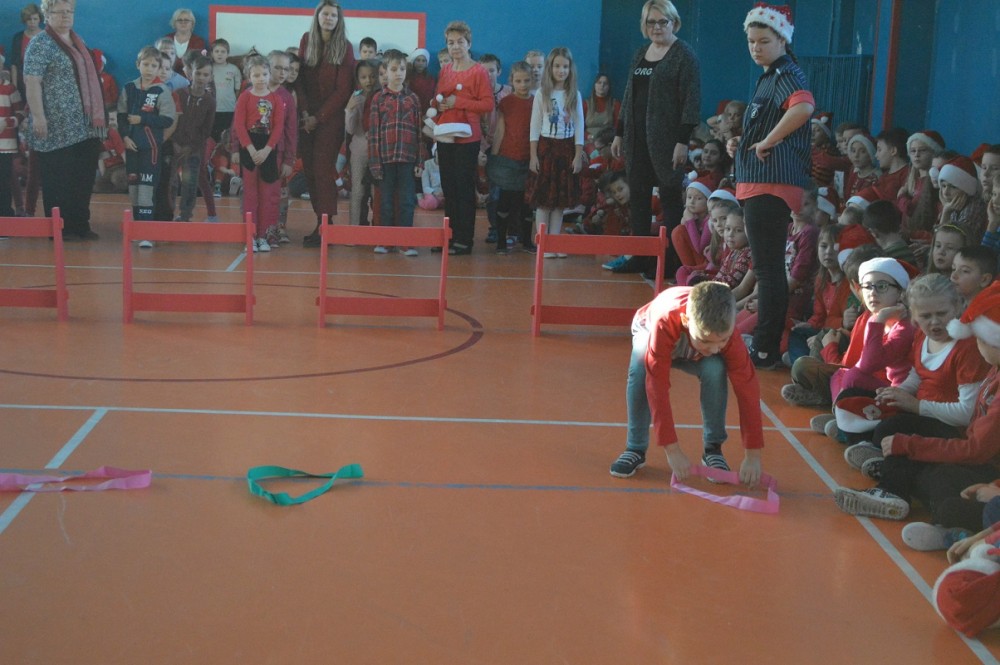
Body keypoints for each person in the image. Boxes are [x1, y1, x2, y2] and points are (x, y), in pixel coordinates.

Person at [834, 281, 1000, 522]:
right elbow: (917, 373)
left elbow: (968, 421)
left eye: (941, 313)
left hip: (951, 427)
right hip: (928, 415)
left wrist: (914, 411)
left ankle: (891, 486)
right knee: (853, 400)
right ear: (915, 317)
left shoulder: (968, 351)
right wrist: (897, 394)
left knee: (896, 433)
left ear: (957, 308)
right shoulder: (924, 337)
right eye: (926, 316)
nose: (934, 322)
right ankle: (880, 458)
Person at [608, 281, 764, 484]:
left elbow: (748, 389)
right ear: (686, 320)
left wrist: (753, 455)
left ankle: (713, 449)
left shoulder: (727, 334)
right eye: (706, 341)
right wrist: (672, 449)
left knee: (715, 368)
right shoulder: (665, 321)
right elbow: (656, 386)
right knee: (640, 367)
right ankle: (635, 447)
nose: (714, 349)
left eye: (722, 341)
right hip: (652, 331)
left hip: (692, 344)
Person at [731, 3, 815, 369]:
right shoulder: (768, 76)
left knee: (768, 271)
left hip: (771, 182)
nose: (755, 47)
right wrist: (745, 142)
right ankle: (763, 342)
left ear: (782, 39)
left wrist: (768, 140)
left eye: (763, 41)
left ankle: (764, 348)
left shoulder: (786, 72)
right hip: (757, 181)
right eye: (751, 41)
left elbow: (803, 107)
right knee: (766, 268)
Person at [611, 0, 701, 276]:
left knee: (670, 199)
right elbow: (629, 95)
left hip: (668, 141)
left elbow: (691, 100)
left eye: (663, 21)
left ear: (674, 22)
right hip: (636, 138)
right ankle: (641, 257)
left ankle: (672, 260)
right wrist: (619, 132)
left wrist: (683, 140)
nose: (657, 27)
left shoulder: (684, 55)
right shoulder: (640, 53)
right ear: (644, 25)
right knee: (638, 198)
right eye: (651, 22)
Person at [24, 0, 108, 241]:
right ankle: (60, 228)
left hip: (86, 126)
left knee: (83, 177)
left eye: (70, 11)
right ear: (47, 14)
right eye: (60, 12)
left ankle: (80, 224)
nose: (66, 16)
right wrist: (38, 116)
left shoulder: (79, 41)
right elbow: (32, 81)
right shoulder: (40, 43)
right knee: (58, 180)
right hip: (56, 125)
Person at [297, 0, 356, 246]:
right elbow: (298, 78)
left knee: (322, 170)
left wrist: (318, 117)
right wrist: (305, 113)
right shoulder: (306, 40)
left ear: (338, 19)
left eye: (334, 15)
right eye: (326, 14)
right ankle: (319, 222)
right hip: (306, 118)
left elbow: (343, 90)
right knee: (310, 170)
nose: (329, 18)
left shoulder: (345, 47)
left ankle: (326, 225)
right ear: (318, 16)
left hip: (331, 119)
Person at [432, 20, 493, 255]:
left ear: (469, 43)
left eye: (460, 42)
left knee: (464, 188)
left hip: (468, 137)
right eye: (451, 42)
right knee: (449, 187)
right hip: (446, 135)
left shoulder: (478, 71)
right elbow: (439, 97)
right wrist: (438, 103)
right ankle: (449, 236)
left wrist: (459, 102)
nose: (455, 46)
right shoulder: (445, 70)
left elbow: (487, 104)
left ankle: (464, 240)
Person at [527, 46, 583, 258]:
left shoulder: (574, 94)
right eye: (557, 66)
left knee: (560, 202)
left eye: (565, 66)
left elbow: (579, 126)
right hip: (546, 149)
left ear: (570, 69)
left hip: (566, 149)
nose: (561, 70)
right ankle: (543, 244)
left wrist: (578, 155)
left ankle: (555, 242)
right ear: (550, 68)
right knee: (544, 200)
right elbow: (534, 126)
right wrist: (533, 155)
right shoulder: (542, 94)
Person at [367, 49, 423, 256]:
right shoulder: (378, 99)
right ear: (385, 71)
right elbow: (374, 134)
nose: (398, 73)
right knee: (386, 202)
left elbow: (418, 132)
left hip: (407, 158)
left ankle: (406, 242)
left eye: (402, 69)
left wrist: (420, 161)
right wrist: (375, 163)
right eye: (393, 69)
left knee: (407, 201)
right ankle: (385, 241)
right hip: (385, 159)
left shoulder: (413, 99)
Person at [234, 55, 285, 252]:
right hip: (250, 148)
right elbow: (239, 125)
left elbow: (278, 127)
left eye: (264, 74)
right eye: (256, 75)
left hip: (268, 150)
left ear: (269, 74)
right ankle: (250, 236)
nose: (261, 78)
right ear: (249, 76)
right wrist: (251, 149)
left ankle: (263, 236)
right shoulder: (245, 97)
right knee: (250, 196)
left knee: (266, 196)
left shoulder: (276, 99)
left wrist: (266, 150)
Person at [489, 60, 534, 254]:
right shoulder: (506, 102)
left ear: (532, 80)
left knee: (526, 203)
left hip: (528, 158)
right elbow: (500, 130)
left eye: (526, 80)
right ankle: (501, 241)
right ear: (511, 81)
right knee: (505, 202)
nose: (523, 85)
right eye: (518, 81)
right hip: (507, 158)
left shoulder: (536, 102)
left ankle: (526, 240)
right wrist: (494, 156)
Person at [170, 53, 214, 223]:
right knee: (171, 181)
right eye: (198, 73)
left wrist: (191, 147)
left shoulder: (210, 101)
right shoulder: (179, 94)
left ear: (210, 77)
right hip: (174, 146)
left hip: (194, 150)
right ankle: (167, 212)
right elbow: (172, 120)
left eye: (206, 74)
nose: (201, 78)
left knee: (190, 183)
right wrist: (174, 142)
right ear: (190, 73)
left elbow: (206, 130)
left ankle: (185, 215)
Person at [266, 50, 298, 245]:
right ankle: (259, 230)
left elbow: (291, 131)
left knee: (280, 194)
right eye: (277, 67)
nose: (282, 72)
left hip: (279, 155)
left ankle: (279, 227)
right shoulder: (252, 92)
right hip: (256, 155)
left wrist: (289, 159)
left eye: (286, 69)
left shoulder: (287, 97)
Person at [344, 59, 378, 227]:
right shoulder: (355, 97)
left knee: (376, 191)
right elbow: (350, 129)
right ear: (357, 79)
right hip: (359, 151)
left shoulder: (381, 96)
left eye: (372, 76)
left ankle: (378, 226)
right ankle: (355, 228)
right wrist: (350, 109)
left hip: (378, 151)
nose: (368, 81)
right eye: (363, 77)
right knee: (357, 191)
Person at [939, 155, 988, 241]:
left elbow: (952, 242)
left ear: (966, 189)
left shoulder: (974, 207)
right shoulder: (953, 205)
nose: (945, 192)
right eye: (943, 186)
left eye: (953, 187)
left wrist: (946, 212)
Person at [0, 72, 24, 217]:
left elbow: (21, 114)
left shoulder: (10, 89)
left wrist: (7, 122)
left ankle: (4, 215)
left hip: (6, 146)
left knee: (4, 181)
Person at [209, 38, 241, 149]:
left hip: (229, 109)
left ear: (228, 54)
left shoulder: (234, 69)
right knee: (213, 137)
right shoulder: (209, 68)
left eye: (223, 51)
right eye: (217, 51)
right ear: (212, 53)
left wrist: (232, 101)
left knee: (227, 137)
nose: (220, 54)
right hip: (213, 109)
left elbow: (238, 89)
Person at [9, 4, 43, 98]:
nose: (32, 22)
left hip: (43, 84)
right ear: (24, 20)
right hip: (23, 84)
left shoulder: (47, 37)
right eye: (29, 19)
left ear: (40, 19)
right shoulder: (18, 38)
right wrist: (14, 87)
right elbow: (14, 65)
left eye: (35, 19)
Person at [164, 8, 205, 74]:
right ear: (174, 23)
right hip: (167, 76)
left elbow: (198, 64)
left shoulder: (198, 41)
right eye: (179, 20)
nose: (183, 22)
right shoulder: (167, 39)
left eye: (186, 20)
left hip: (190, 78)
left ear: (192, 23)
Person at [582, 73, 620, 145]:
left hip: (608, 142)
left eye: (605, 83)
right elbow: (579, 128)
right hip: (589, 142)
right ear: (595, 85)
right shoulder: (585, 104)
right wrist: (588, 136)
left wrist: (606, 140)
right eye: (599, 82)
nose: (602, 85)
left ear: (609, 87)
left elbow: (618, 127)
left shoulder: (615, 104)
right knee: (593, 151)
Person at [406, 48, 435, 113]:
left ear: (426, 63)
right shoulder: (408, 77)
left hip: (426, 112)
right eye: (418, 60)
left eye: (423, 61)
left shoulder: (430, 79)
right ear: (413, 61)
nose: (421, 63)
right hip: (410, 110)